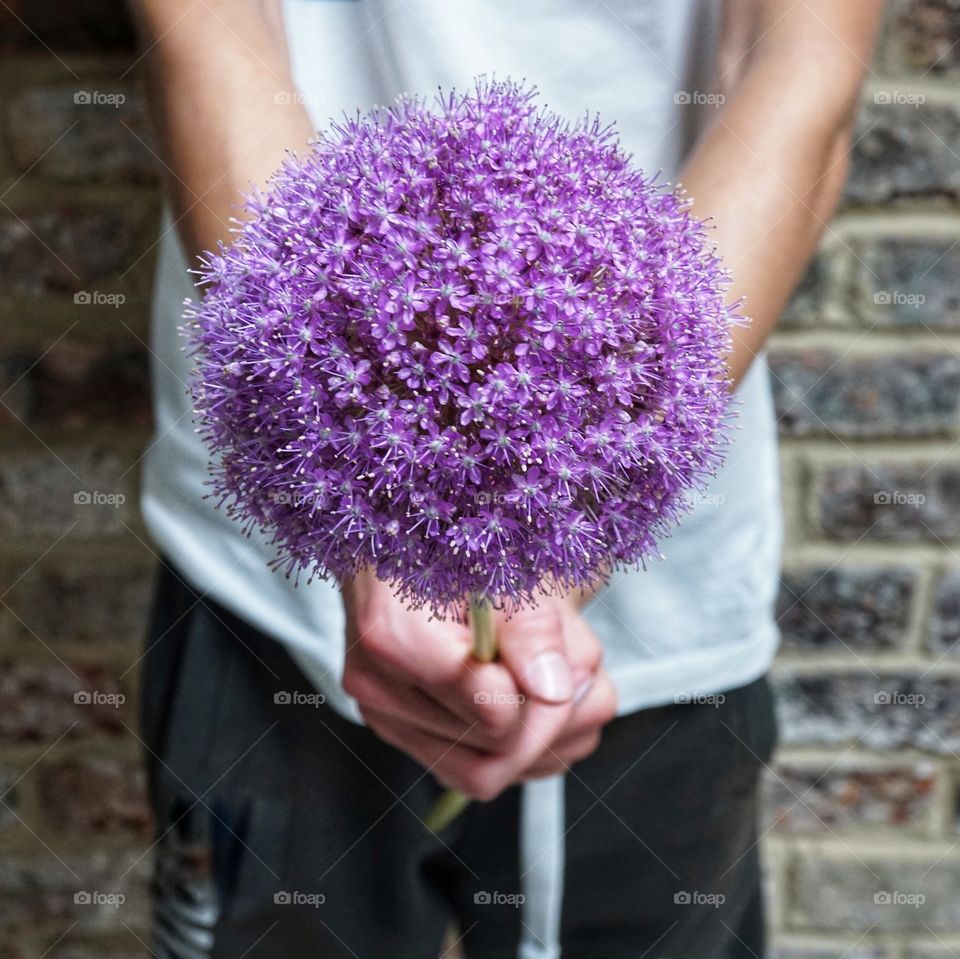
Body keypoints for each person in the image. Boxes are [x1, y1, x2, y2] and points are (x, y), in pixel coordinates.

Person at [132, 2, 882, 957]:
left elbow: (799, 70)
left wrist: (572, 509)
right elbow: (206, 34)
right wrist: (376, 508)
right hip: (271, 590)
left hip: (661, 608)